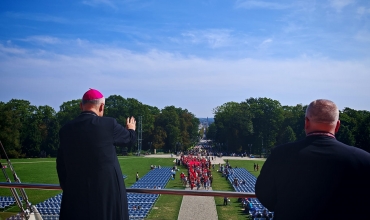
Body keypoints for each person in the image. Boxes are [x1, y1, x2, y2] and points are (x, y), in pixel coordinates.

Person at [255, 99, 370, 220]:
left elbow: (265, 196)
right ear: (337, 126)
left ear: (306, 122)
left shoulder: (280, 154)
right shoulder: (363, 160)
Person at [57, 88, 136, 220]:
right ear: (101, 107)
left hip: (75, 196)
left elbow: (61, 164)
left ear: (81, 106)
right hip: (106, 196)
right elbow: (129, 140)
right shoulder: (108, 124)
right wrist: (131, 130)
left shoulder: (65, 129)